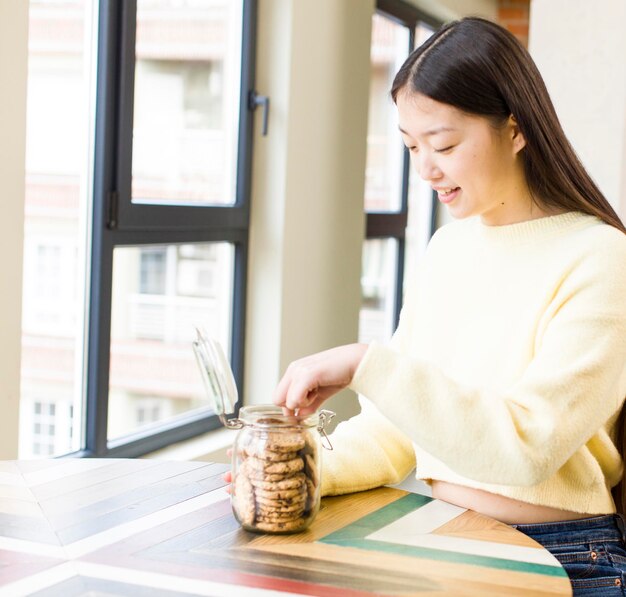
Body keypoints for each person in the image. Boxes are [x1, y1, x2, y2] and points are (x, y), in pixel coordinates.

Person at [270, 17, 626, 596]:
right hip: (442, 539)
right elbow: (398, 431)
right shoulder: (448, 247)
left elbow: (527, 447)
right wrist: (295, 471)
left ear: (514, 129)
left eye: (444, 144)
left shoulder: (600, 256)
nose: (426, 169)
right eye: (412, 147)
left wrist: (367, 363)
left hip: (564, 559)